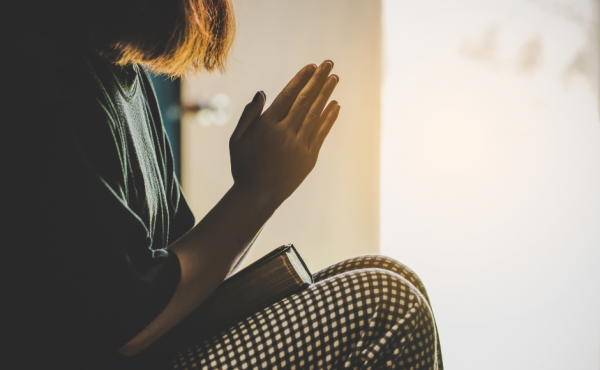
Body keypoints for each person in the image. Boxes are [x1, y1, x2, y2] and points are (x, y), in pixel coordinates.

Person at [5, 0, 443, 369]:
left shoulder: (127, 75)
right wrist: (258, 192)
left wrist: (257, 186)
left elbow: (182, 269)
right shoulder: (39, 70)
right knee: (388, 306)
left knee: (395, 276)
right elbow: (128, 320)